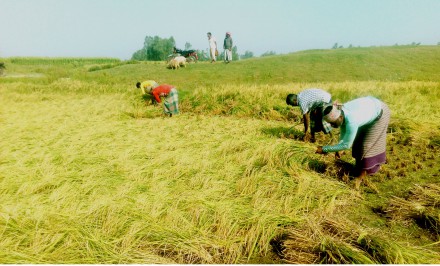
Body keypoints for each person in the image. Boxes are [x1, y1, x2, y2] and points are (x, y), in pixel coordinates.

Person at [316, 96, 390, 189]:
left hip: (380, 113)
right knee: (357, 142)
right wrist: (339, 147)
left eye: (333, 123)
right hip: (368, 110)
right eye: (331, 124)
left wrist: (325, 149)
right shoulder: (342, 113)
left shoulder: (352, 120)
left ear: (341, 117)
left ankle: (360, 178)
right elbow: (343, 130)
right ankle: (358, 168)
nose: (332, 125)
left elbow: (347, 145)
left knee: (366, 147)